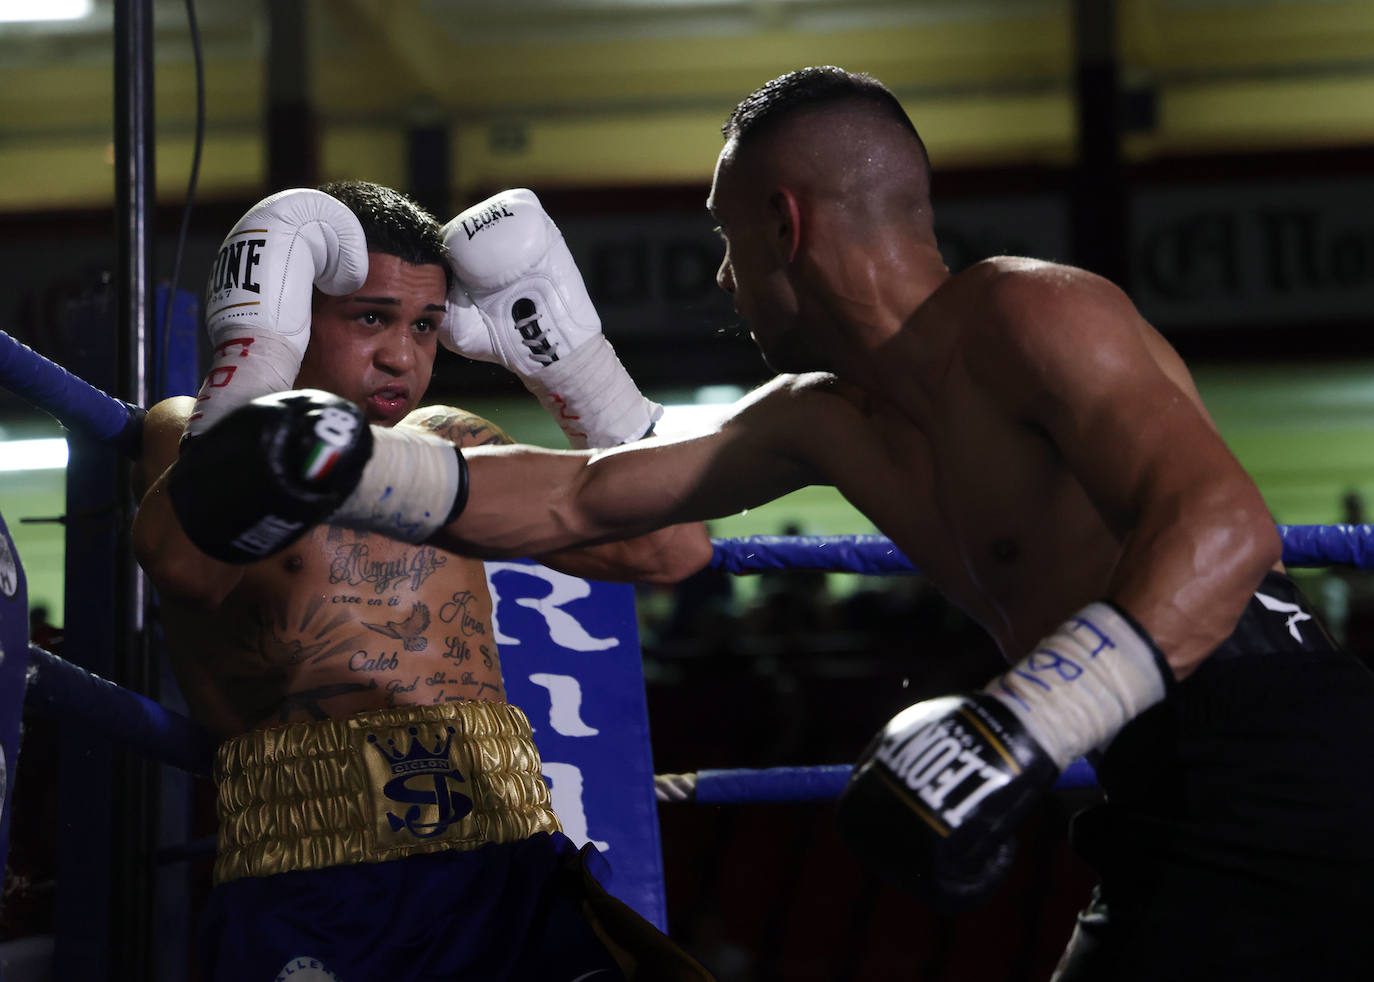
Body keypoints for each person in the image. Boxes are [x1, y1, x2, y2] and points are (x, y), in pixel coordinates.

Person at [164, 69, 1374, 979]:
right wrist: (342, 469)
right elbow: (587, 496)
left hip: (1287, 752)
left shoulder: (1032, 312)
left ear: (783, 226)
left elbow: (1228, 525)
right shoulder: (821, 418)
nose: (722, 279)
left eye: (725, 239)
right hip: (1155, 789)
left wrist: (1021, 727)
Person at [132, 179, 717, 981]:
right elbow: (183, 565)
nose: (401, 355)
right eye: (370, 317)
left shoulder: (450, 442)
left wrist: (575, 367)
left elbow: (671, 551)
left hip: (505, 846)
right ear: (292, 305)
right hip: (314, 866)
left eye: (426, 325)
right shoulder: (189, 432)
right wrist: (257, 354)